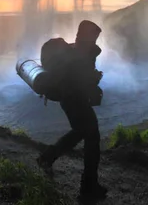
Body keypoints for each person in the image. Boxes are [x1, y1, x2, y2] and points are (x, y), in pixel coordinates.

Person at [37, 20, 108, 200]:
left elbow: (78, 79)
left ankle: (48, 158)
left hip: (71, 100)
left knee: (80, 132)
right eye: (93, 36)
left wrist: (91, 79)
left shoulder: (76, 51)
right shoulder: (80, 54)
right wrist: (93, 79)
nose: (95, 39)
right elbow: (76, 82)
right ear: (87, 36)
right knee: (92, 136)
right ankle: (88, 188)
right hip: (74, 101)